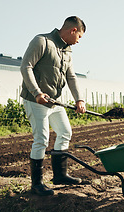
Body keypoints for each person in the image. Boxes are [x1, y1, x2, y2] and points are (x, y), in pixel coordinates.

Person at [20, 16, 87, 196]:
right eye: (79, 36)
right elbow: (26, 66)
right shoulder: (42, 41)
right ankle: (37, 184)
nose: (79, 41)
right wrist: (36, 92)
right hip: (36, 100)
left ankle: (60, 175)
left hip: (55, 101)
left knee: (65, 132)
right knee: (41, 139)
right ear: (73, 30)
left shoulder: (67, 50)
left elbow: (71, 76)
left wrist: (79, 99)